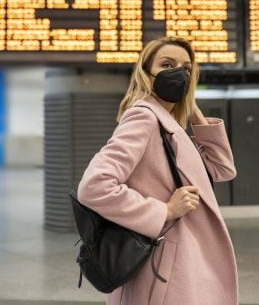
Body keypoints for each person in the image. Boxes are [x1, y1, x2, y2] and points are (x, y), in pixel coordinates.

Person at [77, 37, 238, 305]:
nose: (178, 73)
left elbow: (222, 168)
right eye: (167, 64)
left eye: (186, 69)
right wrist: (164, 210)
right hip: (163, 270)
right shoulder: (144, 117)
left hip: (180, 262)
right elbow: (94, 186)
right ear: (146, 72)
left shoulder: (169, 124)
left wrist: (192, 108)